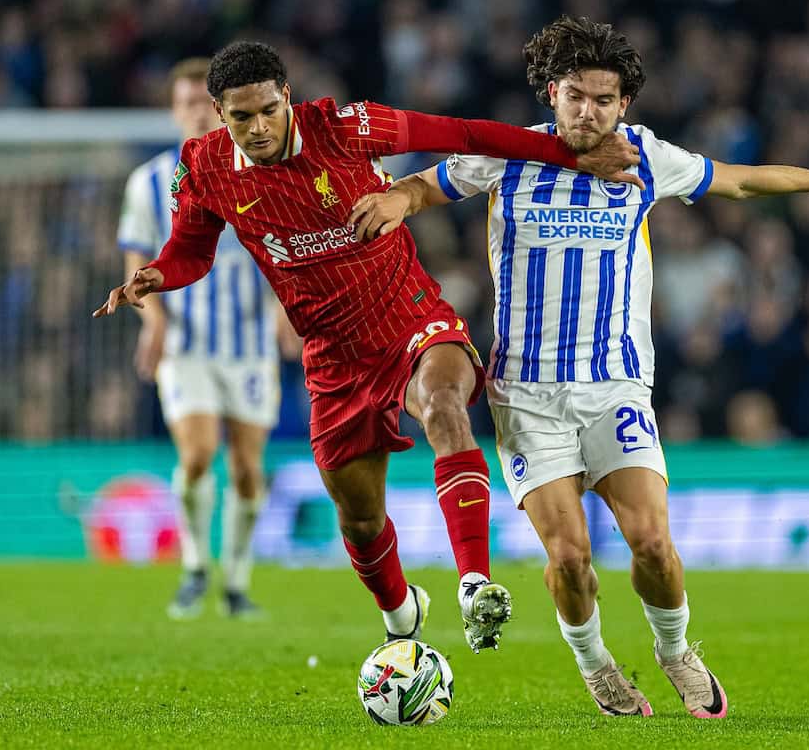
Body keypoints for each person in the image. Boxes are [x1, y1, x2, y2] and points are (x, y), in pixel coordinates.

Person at [349, 15, 809, 716]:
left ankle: (675, 651)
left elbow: (741, 183)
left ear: (623, 104)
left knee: (653, 544)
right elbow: (430, 184)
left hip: (616, 388)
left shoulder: (646, 158)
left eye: (603, 99)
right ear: (551, 94)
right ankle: (596, 663)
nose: (588, 110)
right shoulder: (511, 154)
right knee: (569, 559)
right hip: (526, 395)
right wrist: (397, 197)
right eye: (575, 94)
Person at [94, 40, 641, 651]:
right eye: (240, 116)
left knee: (444, 405)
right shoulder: (204, 166)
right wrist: (157, 274)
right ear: (220, 115)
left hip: (409, 319)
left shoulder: (346, 127)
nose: (257, 127)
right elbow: (192, 249)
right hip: (333, 357)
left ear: (288, 99)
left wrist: (566, 155)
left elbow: (461, 133)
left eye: (268, 110)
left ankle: (475, 583)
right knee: (358, 520)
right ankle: (402, 613)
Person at [116, 58, 284, 621]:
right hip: (186, 342)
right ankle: (193, 566)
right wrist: (154, 322)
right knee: (197, 455)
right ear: (173, 110)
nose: (193, 113)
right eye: (183, 102)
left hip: (250, 342)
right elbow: (138, 257)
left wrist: (288, 311)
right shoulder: (150, 180)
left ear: (217, 110)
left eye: (200, 103)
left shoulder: (263, 170)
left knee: (246, 468)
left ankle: (235, 582)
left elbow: (288, 245)